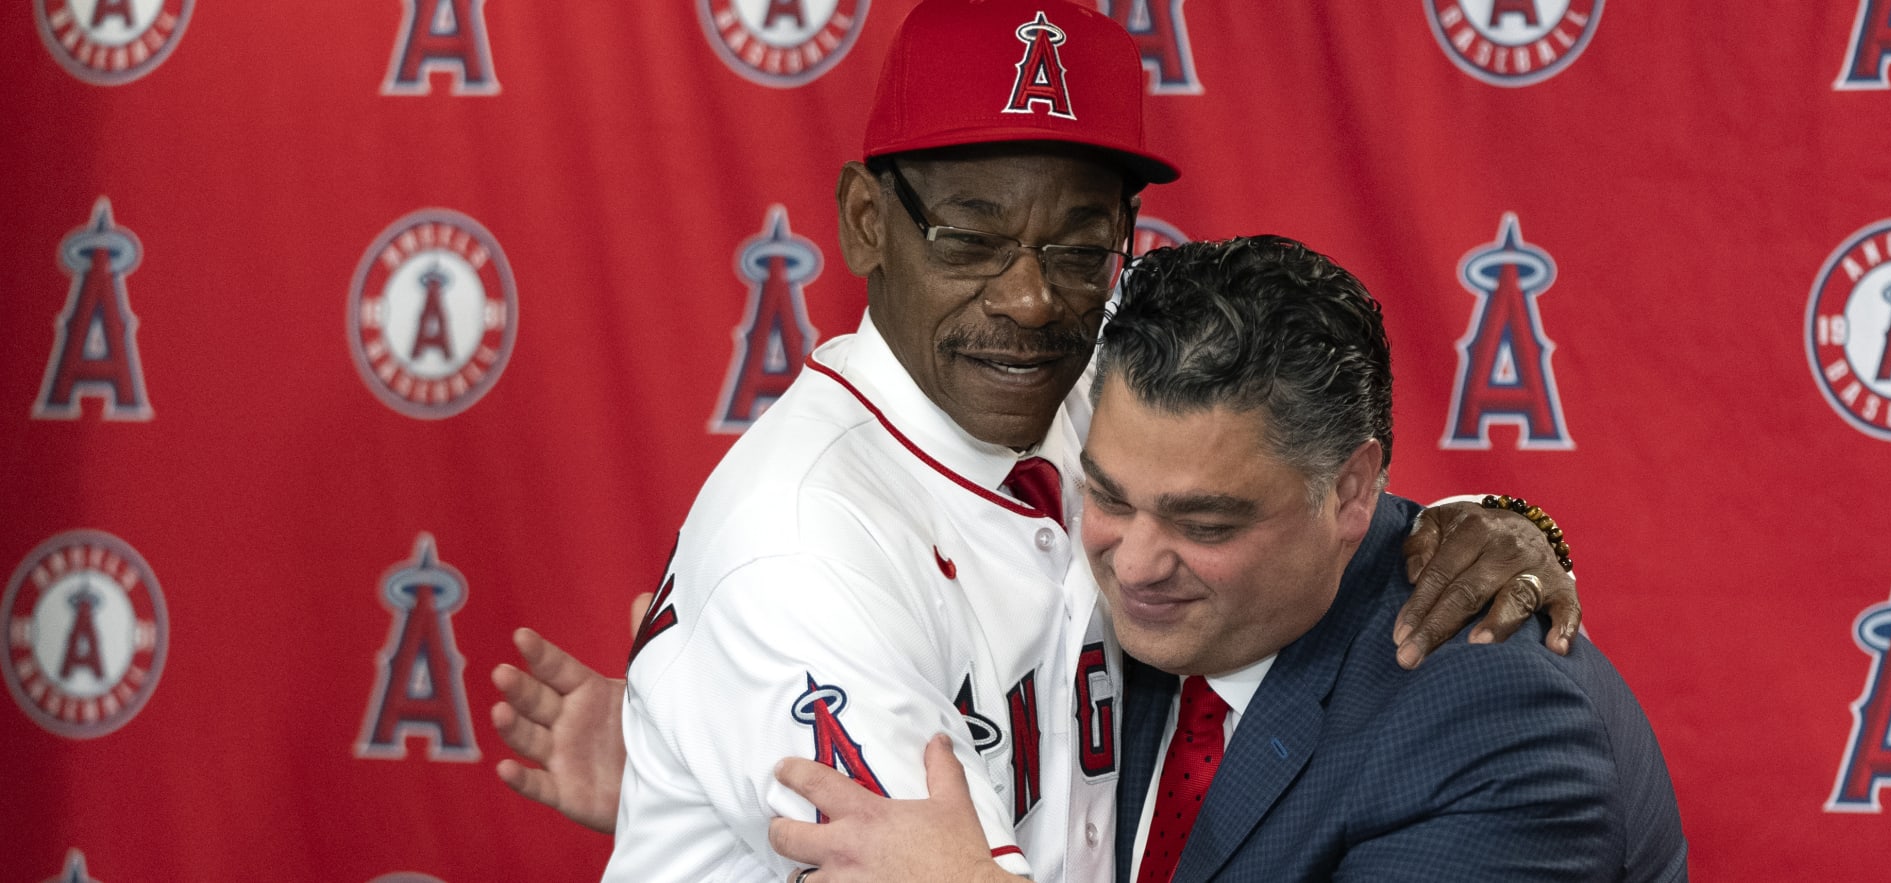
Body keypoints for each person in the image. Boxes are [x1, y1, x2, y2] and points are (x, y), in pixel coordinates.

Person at [491, 1, 1580, 878]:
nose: (1027, 297)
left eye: (1078, 247)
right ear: (867, 221)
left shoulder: (1071, 402)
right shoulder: (804, 548)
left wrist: (1477, 528)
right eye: (971, 236)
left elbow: (1267, 487)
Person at [771, 236, 1686, 882]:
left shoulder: (1498, 727)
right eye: (1111, 495)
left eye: (1204, 523)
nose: (1131, 564)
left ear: (1353, 489)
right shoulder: (1090, 609)